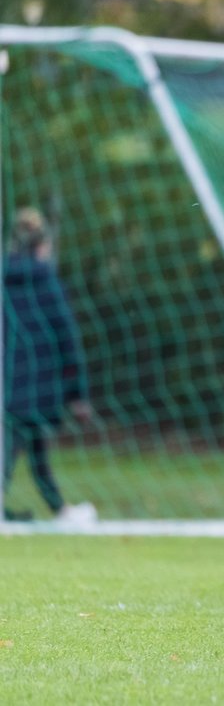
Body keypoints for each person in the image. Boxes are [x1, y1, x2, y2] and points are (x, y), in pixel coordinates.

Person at [3, 207, 97, 524]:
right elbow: (66, 338)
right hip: (38, 384)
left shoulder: (5, 282)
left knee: (28, 444)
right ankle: (61, 511)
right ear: (42, 246)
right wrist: (77, 394)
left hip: (9, 381)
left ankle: (60, 510)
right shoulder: (47, 283)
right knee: (19, 445)